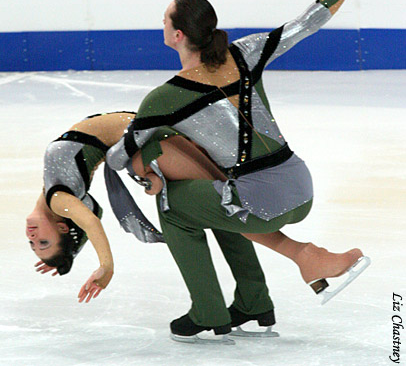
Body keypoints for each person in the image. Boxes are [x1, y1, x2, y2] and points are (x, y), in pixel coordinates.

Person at [106, 0, 383, 343]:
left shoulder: (163, 98)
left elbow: (118, 157)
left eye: (165, 19)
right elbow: (308, 21)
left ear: (178, 34)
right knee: (216, 193)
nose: (161, 24)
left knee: (176, 207)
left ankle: (207, 311)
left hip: (261, 199)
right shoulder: (246, 53)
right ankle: (255, 300)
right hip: (300, 185)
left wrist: (146, 165)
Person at [27, 111, 270, 317]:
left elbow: (90, 219)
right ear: (61, 228)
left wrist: (69, 249)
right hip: (153, 138)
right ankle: (248, 302)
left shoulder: (57, 199)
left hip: (150, 136)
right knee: (214, 212)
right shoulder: (61, 201)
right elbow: (90, 219)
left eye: (33, 243)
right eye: (43, 242)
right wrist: (83, 255)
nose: (33, 236)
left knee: (215, 212)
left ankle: (234, 307)